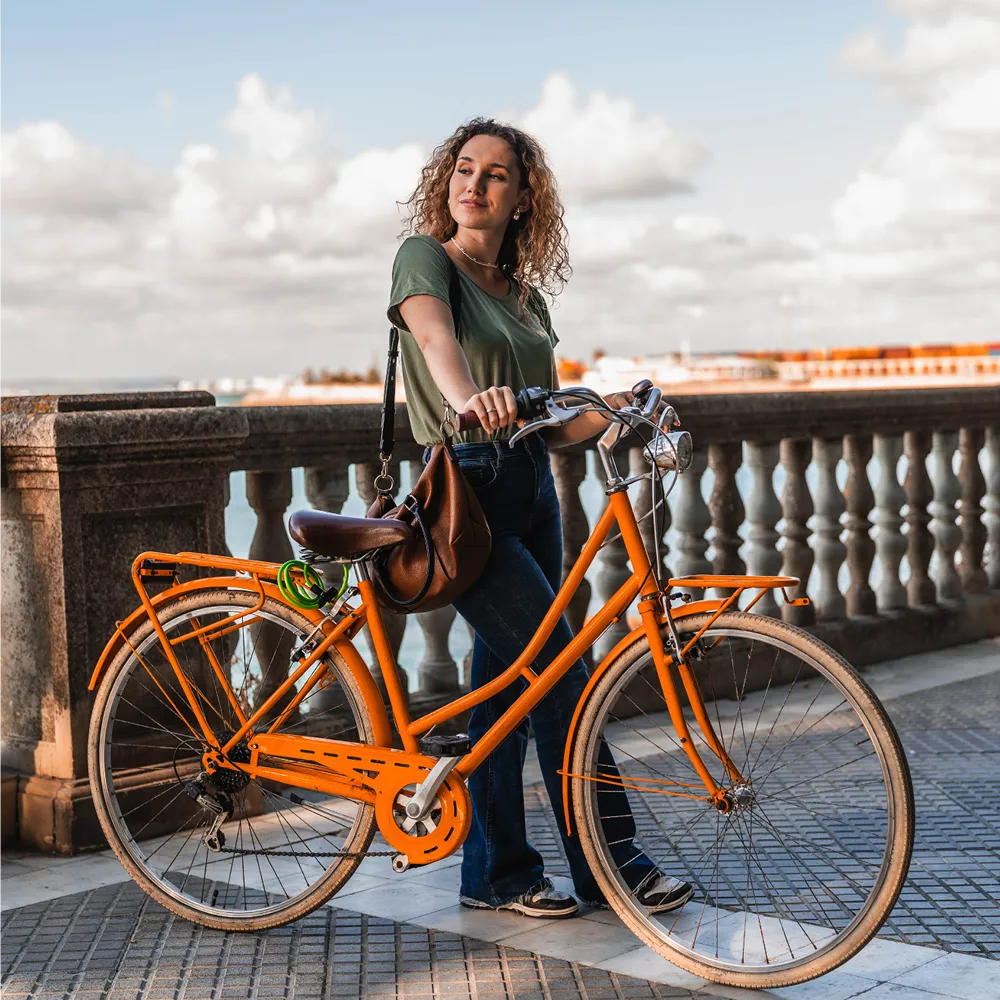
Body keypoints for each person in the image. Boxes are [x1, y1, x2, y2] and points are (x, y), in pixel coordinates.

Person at [387, 118, 693, 919]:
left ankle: (493, 875)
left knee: (505, 692)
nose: (474, 185)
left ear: (524, 199)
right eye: (463, 168)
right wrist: (469, 401)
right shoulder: (427, 259)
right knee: (561, 672)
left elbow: (552, 422)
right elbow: (433, 339)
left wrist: (616, 408)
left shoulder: (526, 295)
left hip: (532, 488)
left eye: (495, 175)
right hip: (466, 491)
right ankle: (613, 864)